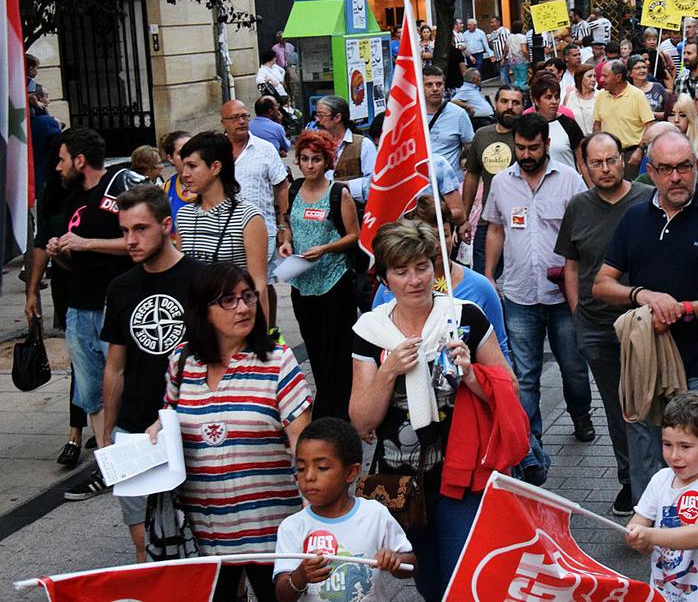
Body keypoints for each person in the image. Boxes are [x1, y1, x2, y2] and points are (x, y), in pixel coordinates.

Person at [350, 220, 518, 601]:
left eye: (423, 267)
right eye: (402, 271)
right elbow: (362, 420)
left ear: (435, 268)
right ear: (385, 278)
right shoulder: (370, 330)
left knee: (464, 573)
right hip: (404, 479)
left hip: (464, 472)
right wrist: (389, 370)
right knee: (427, 578)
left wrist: (472, 374)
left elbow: (510, 391)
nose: (415, 280)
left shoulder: (464, 317)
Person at [593, 129, 698, 497]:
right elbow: (602, 285)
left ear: (696, 166)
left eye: (684, 167)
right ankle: (651, 529)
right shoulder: (634, 219)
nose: (676, 177)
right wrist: (642, 295)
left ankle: (694, 529)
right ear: (650, 172)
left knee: (689, 454)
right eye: (666, 169)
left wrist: (684, 308)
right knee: (646, 453)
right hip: (644, 362)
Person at [154, 263, 312, 602]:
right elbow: (168, 420)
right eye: (228, 300)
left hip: (271, 535)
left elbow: (304, 445)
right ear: (203, 310)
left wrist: (314, 517)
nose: (243, 307)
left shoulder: (277, 361)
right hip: (206, 538)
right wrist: (154, 434)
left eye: (248, 297)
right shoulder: (182, 361)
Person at [483, 114, 592, 484]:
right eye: (521, 148)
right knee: (525, 377)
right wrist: (488, 275)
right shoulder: (501, 182)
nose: (526, 155)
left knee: (574, 369)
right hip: (518, 294)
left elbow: (583, 232)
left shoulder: (570, 180)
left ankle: (580, 412)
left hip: (562, 295)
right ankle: (532, 449)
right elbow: (495, 228)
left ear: (546, 144)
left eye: (533, 147)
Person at [100, 183, 203, 561]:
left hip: (187, 426)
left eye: (140, 229)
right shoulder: (121, 288)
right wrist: (108, 432)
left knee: (202, 539)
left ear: (166, 225)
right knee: (146, 549)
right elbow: (115, 366)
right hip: (135, 430)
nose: (130, 240)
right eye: (125, 230)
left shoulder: (201, 280)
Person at [555, 132, 655, 517]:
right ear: (584, 166)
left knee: (647, 404)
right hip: (596, 326)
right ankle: (630, 481)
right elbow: (572, 264)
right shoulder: (578, 206)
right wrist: (579, 312)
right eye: (596, 163)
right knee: (617, 409)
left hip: (643, 322)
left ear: (624, 159)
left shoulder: (646, 199)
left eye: (611, 160)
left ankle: (657, 479)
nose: (605, 169)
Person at [52, 128, 144, 503]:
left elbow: (137, 242)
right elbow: (76, 252)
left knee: (122, 385)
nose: (57, 167)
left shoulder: (117, 187)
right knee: (91, 394)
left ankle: (133, 461)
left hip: (112, 307)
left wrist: (88, 243)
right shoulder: (75, 198)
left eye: (61, 159)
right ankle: (108, 465)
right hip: (78, 306)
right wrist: (61, 251)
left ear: (79, 159)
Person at [273, 417, 415, 601]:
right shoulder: (292, 527)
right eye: (301, 468)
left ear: (351, 472)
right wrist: (300, 576)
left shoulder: (374, 514)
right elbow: (282, 596)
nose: (308, 476)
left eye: (322, 467)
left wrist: (396, 561)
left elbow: (411, 564)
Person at [626, 391, 698, 602]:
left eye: (685, 447)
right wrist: (637, 539)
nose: (674, 456)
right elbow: (638, 523)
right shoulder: (660, 479)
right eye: (667, 444)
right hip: (663, 594)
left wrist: (649, 535)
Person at [279, 130, 360, 421]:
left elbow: (354, 236)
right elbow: (288, 224)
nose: (310, 165)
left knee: (336, 351)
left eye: (316, 159)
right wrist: (286, 242)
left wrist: (325, 248)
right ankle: (328, 405)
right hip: (303, 282)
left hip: (334, 281)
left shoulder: (338, 193)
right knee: (314, 347)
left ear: (327, 162)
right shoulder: (294, 190)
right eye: (304, 159)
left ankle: (333, 413)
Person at [372, 195, 509, 364]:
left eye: (443, 235)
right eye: (401, 273)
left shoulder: (480, 288)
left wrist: (472, 374)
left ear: (453, 234)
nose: (437, 245)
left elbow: (501, 354)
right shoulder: (388, 290)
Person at [24, 134, 90, 470]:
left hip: (99, 287)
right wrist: (32, 290)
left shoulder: (95, 193)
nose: (60, 165)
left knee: (103, 360)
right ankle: (75, 433)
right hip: (67, 287)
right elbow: (39, 244)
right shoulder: (53, 193)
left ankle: (97, 423)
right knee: (80, 360)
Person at [174, 131, 270, 301]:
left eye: (192, 166)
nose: (185, 174)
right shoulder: (184, 216)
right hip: (196, 318)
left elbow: (258, 284)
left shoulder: (247, 216)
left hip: (234, 314)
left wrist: (260, 326)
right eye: (184, 166)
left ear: (215, 167)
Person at [221, 99, 290, 332]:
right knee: (232, 285)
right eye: (235, 118)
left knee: (263, 282)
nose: (241, 121)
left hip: (263, 231)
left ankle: (267, 332)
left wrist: (283, 226)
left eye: (244, 116)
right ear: (224, 123)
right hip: (226, 232)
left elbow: (282, 186)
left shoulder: (264, 149)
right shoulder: (216, 151)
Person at [460, 85, 523, 274]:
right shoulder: (482, 135)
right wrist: (465, 218)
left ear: (523, 107)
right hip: (487, 221)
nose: (509, 107)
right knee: (485, 279)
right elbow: (472, 176)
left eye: (515, 103)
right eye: (504, 101)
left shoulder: (528, 137)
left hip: (520, 223)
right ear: (495, 104)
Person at [593, 59, 655, 178]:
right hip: (607, 155)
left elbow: (649, 126)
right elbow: (597, 124)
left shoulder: (637, 96)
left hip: (632, 156)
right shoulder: (601, 96)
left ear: (617, 77)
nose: (601, 80)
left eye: (605, 76)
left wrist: (640, 150)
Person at [530, 71, 586, 176]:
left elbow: (582, 162)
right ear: (536, 101)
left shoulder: (569, 124)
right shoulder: (528, 125)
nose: (554, 101)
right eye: (548, 97)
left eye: (556, 97)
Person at [423, 65, 475, 173]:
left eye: (439, 84)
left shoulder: (459, 114)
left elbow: (471, 148)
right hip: (421, 184)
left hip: (451, 185)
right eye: (429, 85)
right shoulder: (411, 115)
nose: (435, 89)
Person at [29, 85, 62, 195]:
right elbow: (59, 145)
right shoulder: (45, 122)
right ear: (38, 98)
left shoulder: (33, 121)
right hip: (45, 176)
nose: (48, 100)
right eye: (46, 96)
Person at [630, 55, 670, 122]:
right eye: (637, 68)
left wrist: (651, 114)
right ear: (630, 73)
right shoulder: (628, 91)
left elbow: (669, 112)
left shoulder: (658, 87)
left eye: (644, 67)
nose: (642, 70)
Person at [562, 63, 599, 135]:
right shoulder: (569, 96)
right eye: (589, 76)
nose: (593, 79)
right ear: (580, 78)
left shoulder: (599, 96)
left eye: (594, 76)